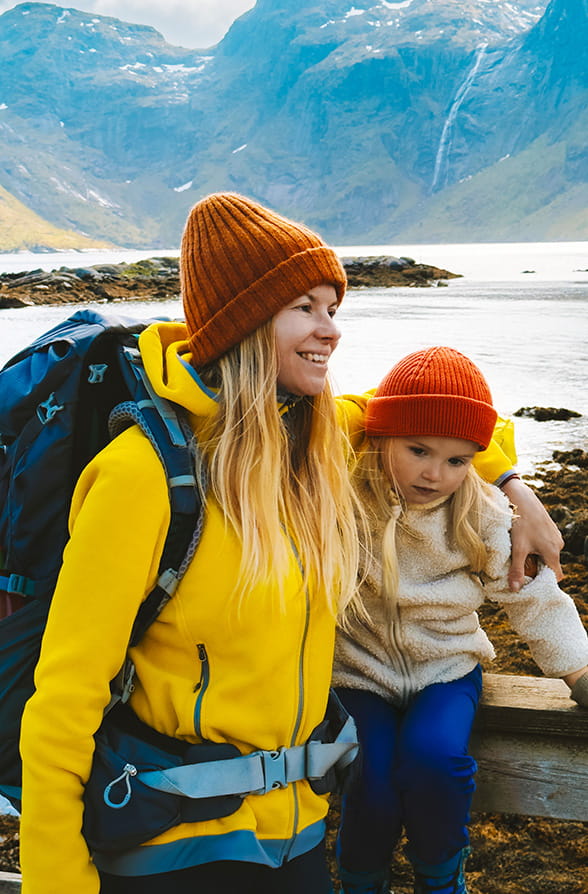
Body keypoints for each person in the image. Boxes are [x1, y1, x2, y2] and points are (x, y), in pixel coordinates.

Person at [18, 192, 566, 894]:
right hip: (174, 848)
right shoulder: (142, 474)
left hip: (298, 843)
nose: (330, 330)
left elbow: (435, 418)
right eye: (305, 306)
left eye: (332, 309)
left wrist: (516, 488)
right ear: (244, 319)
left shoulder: (318, 440)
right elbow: (63, 701)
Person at [332, 346, 588, 894]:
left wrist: (578, 672)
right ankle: (360, 878)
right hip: (357, 673)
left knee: (437, 762)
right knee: (368, 777)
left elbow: (533, 598)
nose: (434, 473)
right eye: (417, 449)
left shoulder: (484, 513)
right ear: (379, 437)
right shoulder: (340, 496)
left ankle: (441, 877)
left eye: (457, 460)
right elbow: (328, 418)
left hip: (445, 670)